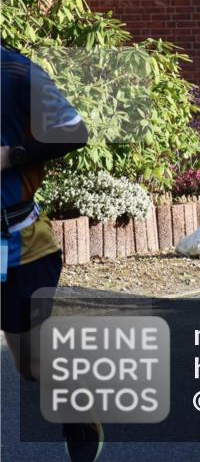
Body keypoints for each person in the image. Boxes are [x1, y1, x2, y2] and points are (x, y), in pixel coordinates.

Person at [1, 47, 99, 461]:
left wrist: (12, 155)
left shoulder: (16, 71)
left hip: (17, 241)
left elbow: (73, 131)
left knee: (32, 365)